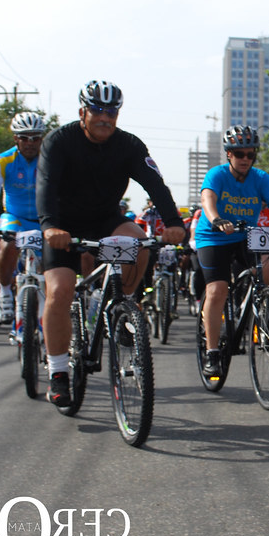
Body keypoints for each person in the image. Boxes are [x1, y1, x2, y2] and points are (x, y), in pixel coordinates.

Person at [37, 80, 185, 406]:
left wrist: (174, 223)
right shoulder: (59, 141)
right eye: (97, 110)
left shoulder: (129, 145)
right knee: (60, 290)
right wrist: (50, 227)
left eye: (111, 111)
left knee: (139, 243)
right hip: (63, 224)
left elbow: (155, 185)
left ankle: (122, 308)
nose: (105, 117)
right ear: (82, 111)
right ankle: (58, 372)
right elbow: (45, 186)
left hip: (106, 218)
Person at [195, 125, 269, 379]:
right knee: (217, 289)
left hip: (246, 235)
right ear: (229, 154)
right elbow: (207, 200)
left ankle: (255, 303)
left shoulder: (261, 177)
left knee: (268, 266)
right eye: (239, 153)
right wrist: (216, 218)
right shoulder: (216, 175)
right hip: (214, 236)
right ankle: (212, 351)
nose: (245, 158)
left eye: (250, 154)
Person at [0, 112, 47, 322]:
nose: (30, 143)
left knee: (50, 263)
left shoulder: (50, 160)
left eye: (35, 138)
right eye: (24, 137)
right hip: (15, 217)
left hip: (43, 220)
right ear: (15, 138)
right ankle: (5, 290)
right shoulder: (3, 161)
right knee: (8, 245)